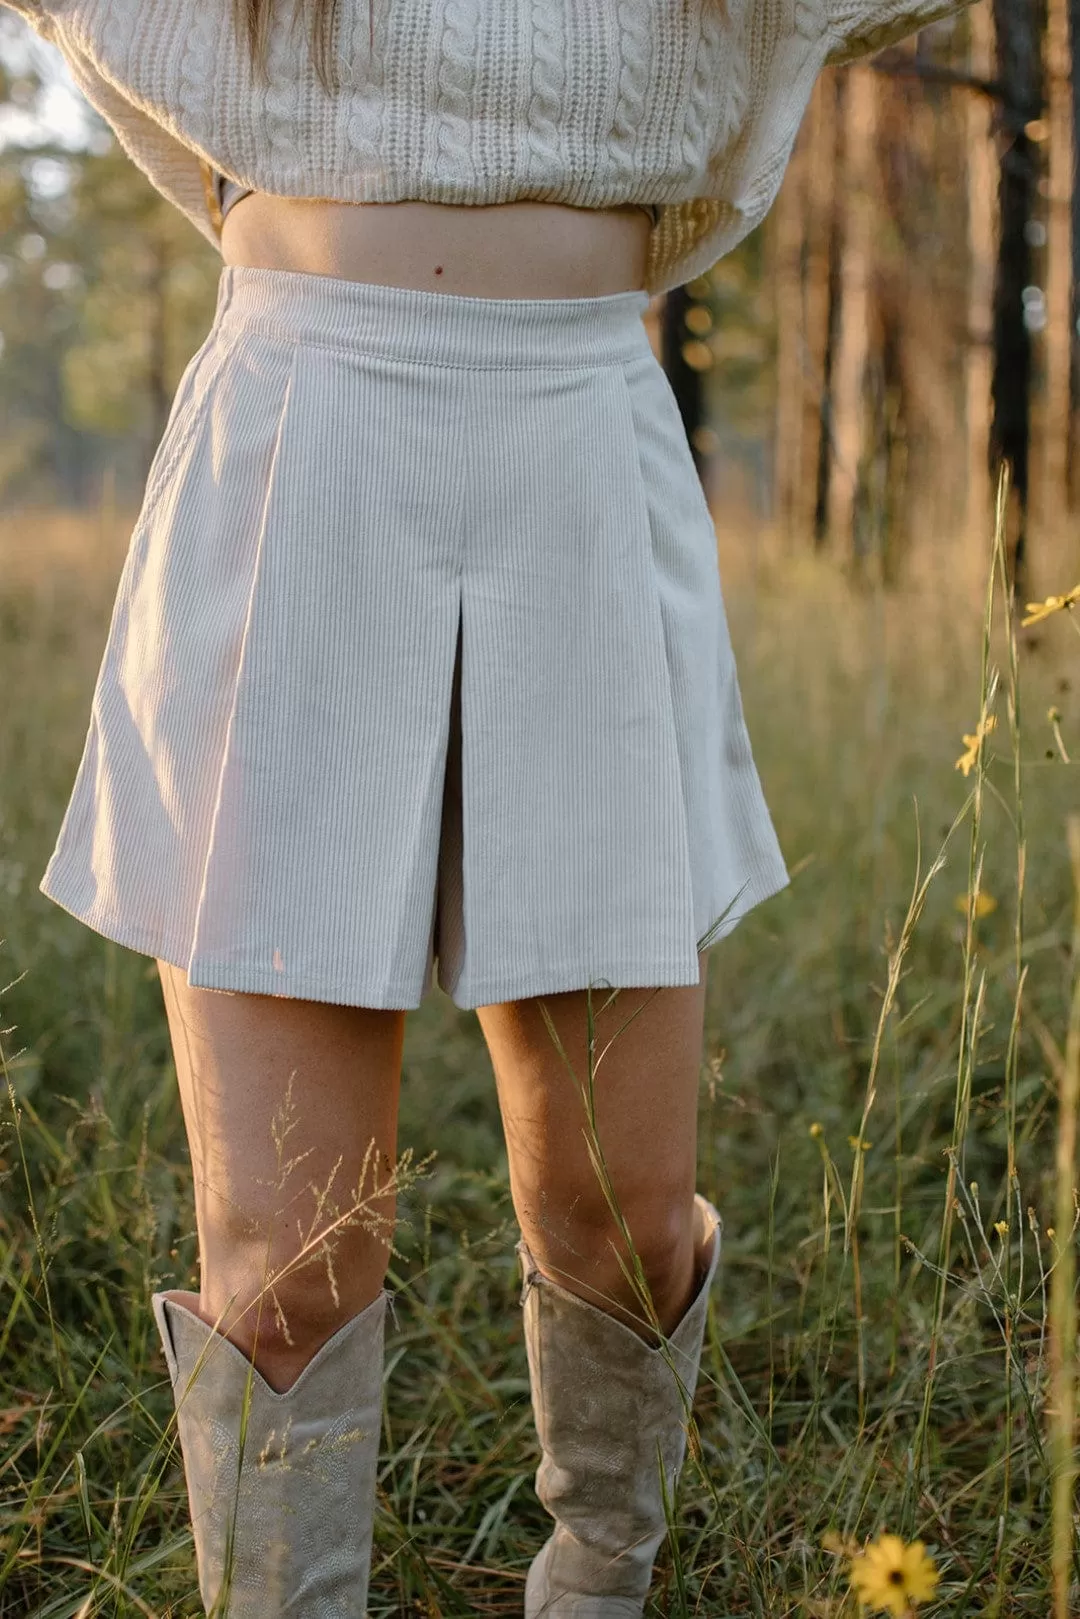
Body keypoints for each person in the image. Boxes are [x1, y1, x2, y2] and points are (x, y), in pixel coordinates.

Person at [9, 0, 978, 1613]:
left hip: (580, 457)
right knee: (291, 1256)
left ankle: (597, 1577)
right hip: (300, 444)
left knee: (625, 1218)